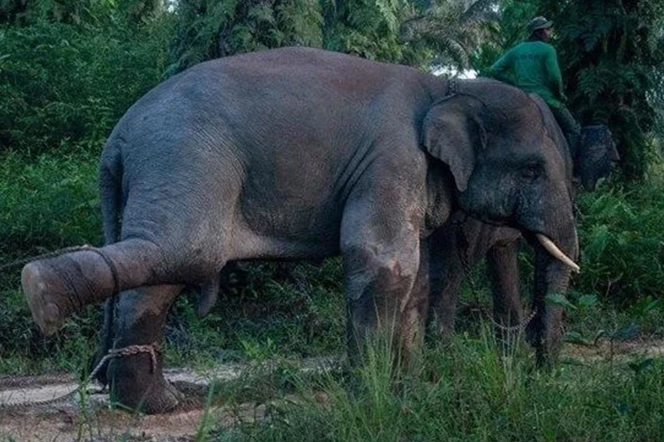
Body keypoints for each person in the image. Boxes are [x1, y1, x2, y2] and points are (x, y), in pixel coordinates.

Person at [489, 16, 581, 157]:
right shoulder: (548, 50)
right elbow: (555, 77)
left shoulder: (517, 50)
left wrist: (513, 85)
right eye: (547, 29)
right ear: (539, 32)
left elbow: (494, 70)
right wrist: (559, 94)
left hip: (522, 98)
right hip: (547, 99)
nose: (549, 32)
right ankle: (574, 170)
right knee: (573, 130)